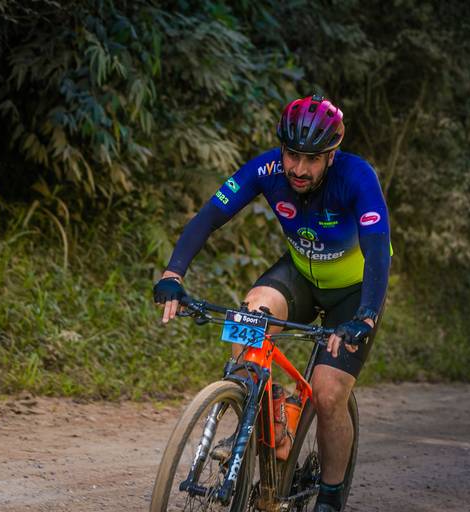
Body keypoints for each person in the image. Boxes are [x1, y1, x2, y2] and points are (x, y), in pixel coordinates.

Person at [153, 94, 391, 512]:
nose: (298, 168)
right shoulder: (267, 169)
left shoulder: (357, 176)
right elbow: (209, 216)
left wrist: (366, 315)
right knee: (251, 313)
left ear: (331, 156)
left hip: (354, 291)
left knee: (327, 394)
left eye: (311, 159)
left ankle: (330, 495)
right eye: (292, 154)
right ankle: (260, 412)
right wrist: (173, 274)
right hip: (300, 274)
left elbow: (376, 247)